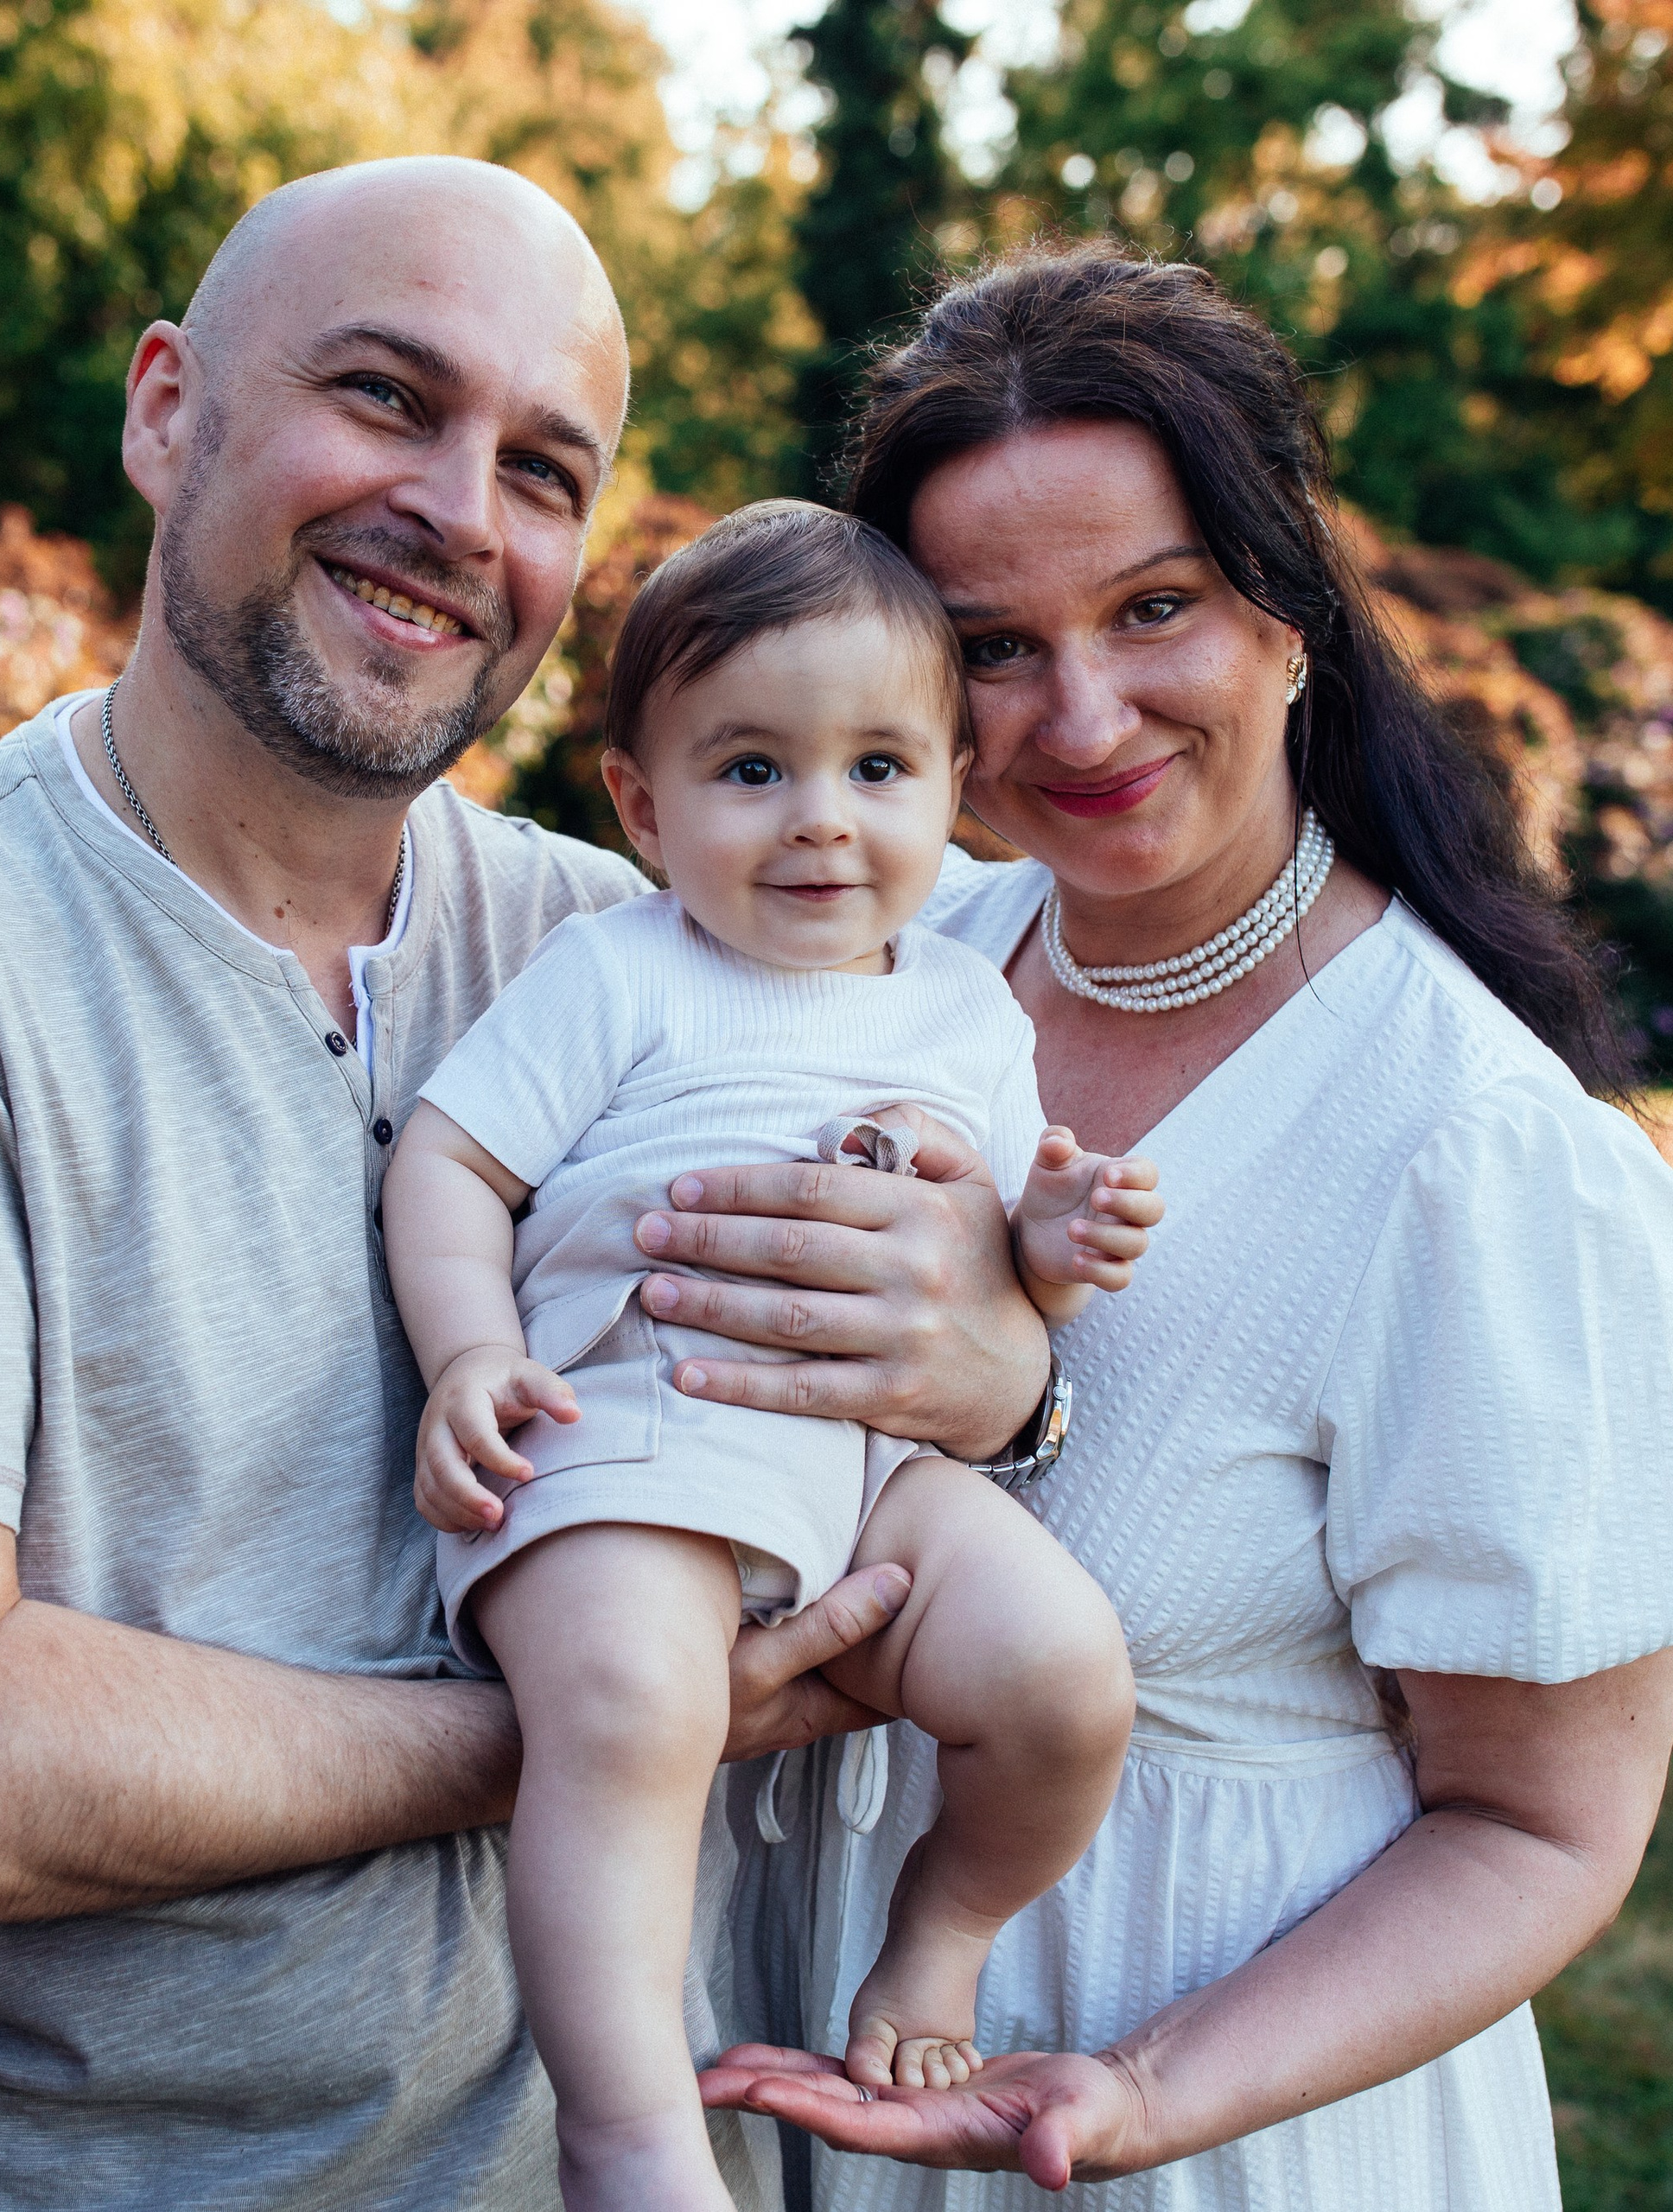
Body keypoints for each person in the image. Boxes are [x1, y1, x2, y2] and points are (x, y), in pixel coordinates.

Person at [0, 159, 1056, 2210]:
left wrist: (1003, 1360)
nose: (462, 513)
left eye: (543, 470)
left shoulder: (636, 943)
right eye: (386, 397)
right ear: (165, 408)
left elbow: (1059, 999)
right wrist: (621, 1715)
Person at [703, 242, 1673, 2210]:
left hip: (1213, 2136)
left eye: (1154, 608)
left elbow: (1540, 1824)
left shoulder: (1462, 1145)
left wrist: (1136, 2090)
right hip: (818, 2077)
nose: (1078, 712)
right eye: (988, 644)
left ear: (1286, 616)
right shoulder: (888, 976)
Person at [381, 501, 1157, 2211]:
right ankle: (628, 2122)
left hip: (873, 1468)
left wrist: (1058, 1237)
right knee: (629, 1704)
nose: (819, 820)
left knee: (1059, 1669)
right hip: (630, 1441)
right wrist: (469, 1351)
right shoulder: (619, 970)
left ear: (953, 786)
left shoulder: (961, 1010)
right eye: (750, 770)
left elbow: (1002, 1267)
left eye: (877, 767)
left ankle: (938, 1931)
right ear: (643, 806)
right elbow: (449, 1160)